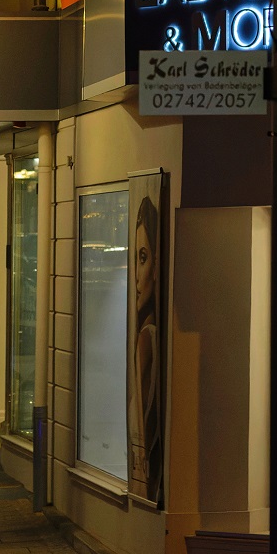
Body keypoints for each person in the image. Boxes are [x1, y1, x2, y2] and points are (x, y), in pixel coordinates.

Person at [128, 195, 162, 503]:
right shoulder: (149, 335)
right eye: (135, 258)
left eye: (143, 257)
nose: (137, 275)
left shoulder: (146, 338)